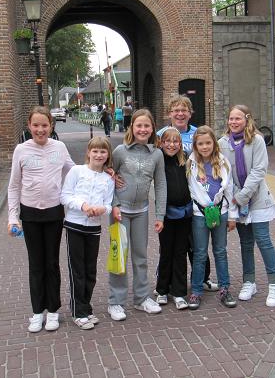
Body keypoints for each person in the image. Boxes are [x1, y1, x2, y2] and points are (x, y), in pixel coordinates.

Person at [7, 106, 75, 333]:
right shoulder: (21, 150)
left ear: (51, 126)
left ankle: (53, 310)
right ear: (29, 126)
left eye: (44, 125)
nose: (40, 129)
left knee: (52, 263)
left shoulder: (60, 147)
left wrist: (101, 170)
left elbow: (74, 172)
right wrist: (12, 217)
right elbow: (14, 185)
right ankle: (37, 312)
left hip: (54, 212)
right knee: (36, 264)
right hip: (30, 214)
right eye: (36, 125)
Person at [218, 105, 275, 307]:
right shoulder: (222, 143)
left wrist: (242, 196)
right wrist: (235, 196)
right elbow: (224, 173)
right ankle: (249, 281)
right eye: (231, 118)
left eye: (238, 118)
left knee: (263, 240)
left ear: (247, 119)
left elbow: (259, 170)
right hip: (237, 200)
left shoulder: (257, 140)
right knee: (246, 242)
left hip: (257, 199)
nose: (234, 122)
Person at [108, 109, 167, 321]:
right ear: (132, 127)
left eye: (146, 126)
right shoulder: (120, 151)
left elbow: (160, 185)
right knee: (119, 257)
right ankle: (115, 301)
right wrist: (114, 204)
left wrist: (160, 215)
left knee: (140, 257)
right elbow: (108, 178)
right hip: (120, 212)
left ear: (152, 129)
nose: (143, 129)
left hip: (141, 211)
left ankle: (141, 298)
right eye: (139, 125)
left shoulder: (157, 154)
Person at [156, 95, 218, 292]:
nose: (180, 114)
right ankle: (165, 281)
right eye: (176, 110)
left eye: (184, 110)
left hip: (196, 197)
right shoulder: (160, 136)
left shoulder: (197, 134)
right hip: (173, 199)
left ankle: (203, 277)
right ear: (169, 114)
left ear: (190, 114)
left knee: (197, 241)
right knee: (170, 244)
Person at [61, 136, 115, 329]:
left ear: (107, 155)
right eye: (95, 151)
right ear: (88, 152)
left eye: (103, 151)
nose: (99, 155)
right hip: (74, 225)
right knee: (77, 270)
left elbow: (109, 204)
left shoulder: (108, 178)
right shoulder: (77, 171)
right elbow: (65, 196)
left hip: (93, 228)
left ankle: (86, 307)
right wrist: (83, 205)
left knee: (90, 270)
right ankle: (78, 311)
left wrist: (102, 209)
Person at [186, 125, 238, 310]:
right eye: (200, 144)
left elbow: (229, 189)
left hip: (221, 212)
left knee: (220, 251)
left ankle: (225, 288)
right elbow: (190, 189)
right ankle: (196, 291)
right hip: (199, 214)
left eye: (208, 143)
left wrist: (232, 216)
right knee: (200, 253)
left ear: (214, 143)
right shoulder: (191, 163)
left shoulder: (223, 162)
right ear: (195, 145)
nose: (205, 147)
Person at [154, 127, 192, 310]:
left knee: (180, 252)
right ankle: (162, 289)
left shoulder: (185, 158)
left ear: (180, 143)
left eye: (175, 141)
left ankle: (179, 292)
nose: (171, 145)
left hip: (185, 214)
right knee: (166, 251)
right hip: (166, 214)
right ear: (161, 143)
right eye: (167, 141)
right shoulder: (158, 159)